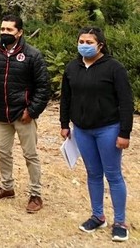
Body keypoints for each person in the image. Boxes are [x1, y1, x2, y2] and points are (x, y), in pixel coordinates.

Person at [59, 27, 133, 242]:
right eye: (81, 40)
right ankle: (98, 216)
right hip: (82, 130)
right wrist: (64, 124)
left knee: (113, 175)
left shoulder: (114, 68)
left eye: (89, 41)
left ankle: (120, 221)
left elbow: (126, 102)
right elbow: (66, 98)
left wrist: (124, 133)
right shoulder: (72, 68)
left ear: (100, 44)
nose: (84, 45)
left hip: (108, 129)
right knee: (93, 173)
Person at [0, 14, 49, 213]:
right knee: (2, 152)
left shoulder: (33, 55)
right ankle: (7, 187)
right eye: (2, 29)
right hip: (1, 113)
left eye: (9, 30)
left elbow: (43, 88)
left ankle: (35, 194)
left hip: (23, 114)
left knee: (30, 155)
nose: (4, 33)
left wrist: (32, 110)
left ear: (20, 32)